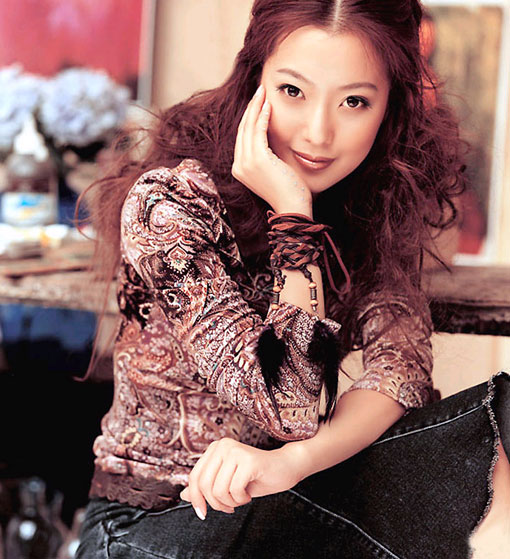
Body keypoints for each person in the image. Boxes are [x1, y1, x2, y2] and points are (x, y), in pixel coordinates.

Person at [75, 0, 510, 557]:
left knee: (498, 427)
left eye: (354, 101)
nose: (319, 133)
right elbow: (289, 407)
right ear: (255, 79)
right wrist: (293, 220)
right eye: (292, 91)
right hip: (155, 521)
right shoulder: (169, 204)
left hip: (282, 501)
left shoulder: (371, 207)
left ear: (389, 107)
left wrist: (292, 462)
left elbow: (399, 370)